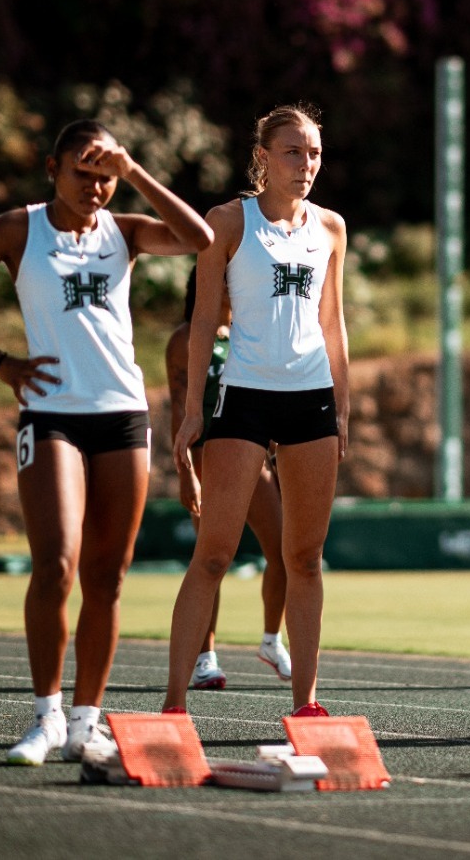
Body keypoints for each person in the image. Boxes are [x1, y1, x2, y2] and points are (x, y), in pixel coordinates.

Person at [0, 120, 211, 765]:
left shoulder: (124, 230)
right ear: (52, 168)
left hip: (123, 415)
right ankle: (46, 717)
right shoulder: (17, 229)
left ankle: (85, 722)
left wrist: (135, 173)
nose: (95, 186)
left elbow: (201, 238)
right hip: (50, 413)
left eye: (105, 174)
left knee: (108, 576)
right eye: (83, 171)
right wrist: (0, 363)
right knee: (57, 563)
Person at [161, 105, 348, 720]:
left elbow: (332, 323)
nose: (307, 165)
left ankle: (307, 705)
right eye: (293, 152)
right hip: (243, 398)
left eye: (314, 153)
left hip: (310, 400)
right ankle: (172, 707)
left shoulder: (330, 228)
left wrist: (341, 408)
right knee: (214, 553)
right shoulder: (227, 223)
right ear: (262, 156)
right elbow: (200, 327)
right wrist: (192, 413)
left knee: (305, 558)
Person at [166, 284, 292, 690]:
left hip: (251, 451)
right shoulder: (187, 338)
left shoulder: (245, 330)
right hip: (208, 453)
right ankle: (205, 656)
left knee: (286, 551)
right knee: (212, 558)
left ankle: (272, 640)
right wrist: (186, 471)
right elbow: (179, 404)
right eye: (225, 280)